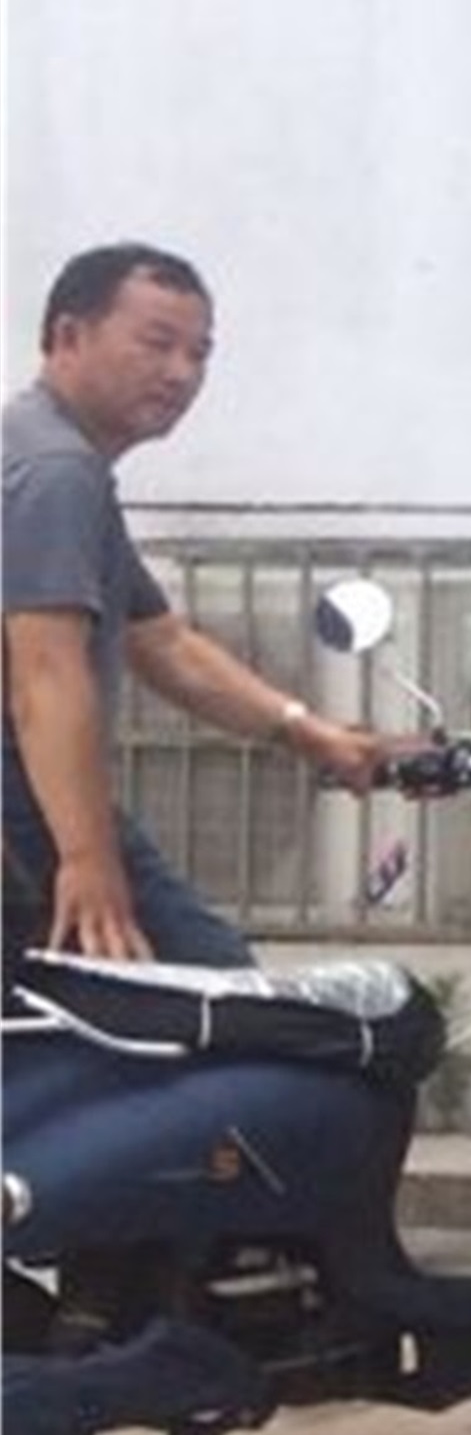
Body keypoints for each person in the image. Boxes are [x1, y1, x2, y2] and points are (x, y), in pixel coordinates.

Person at [7, 244, 394, 963]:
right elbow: (45, 678)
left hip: (35, 804)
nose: (181, 373)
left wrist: (310, 732)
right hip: (25, 814)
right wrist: (88, 861)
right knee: (219, 998)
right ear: (68, 335)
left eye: (199, 353)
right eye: (156, 343)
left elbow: (163, 643)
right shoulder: (54, 471)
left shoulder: (49, 456)